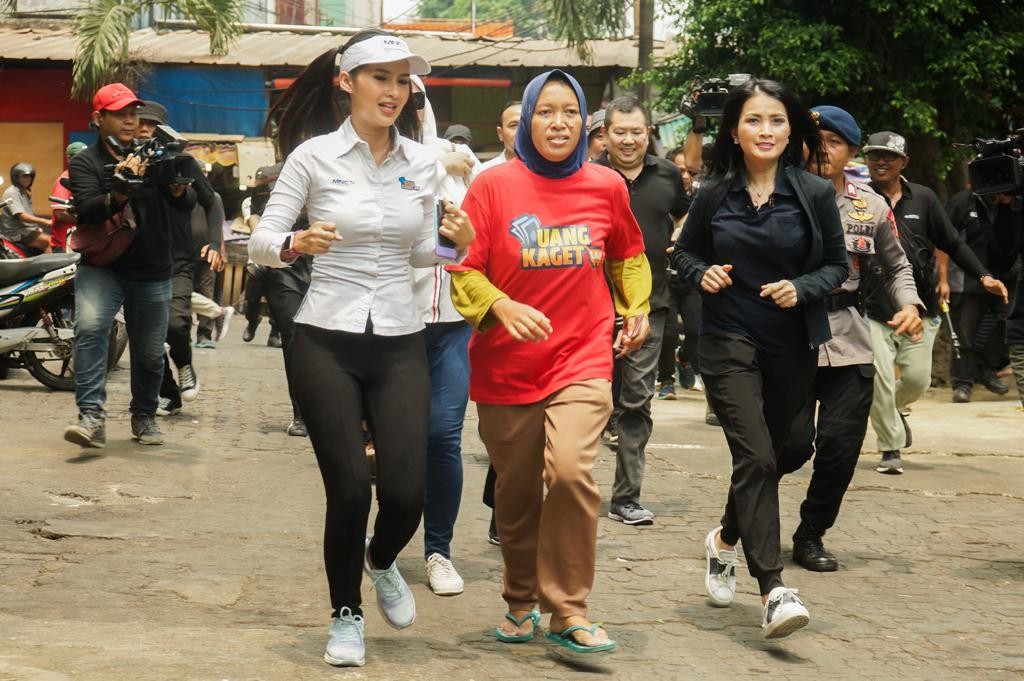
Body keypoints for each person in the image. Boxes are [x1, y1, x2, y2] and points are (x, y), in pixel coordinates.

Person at [248, 30, 475, 668]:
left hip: (400, 341)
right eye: (380, 78)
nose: (393, 91)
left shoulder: (424, 163)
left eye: (402, 81)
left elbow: (424, 254)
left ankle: (379, 560)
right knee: (349, 490)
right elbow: (259, 242)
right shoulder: (313, 157)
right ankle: (345, 614)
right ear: (347, 82)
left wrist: (456, 242)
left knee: (406, 493)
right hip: (325, 340)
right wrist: (297, 243)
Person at [449, 69, 650, 653]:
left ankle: (568, 610)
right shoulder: (492, 186)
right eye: (545, 112)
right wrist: (501, 305)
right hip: (506, 367)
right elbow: (461, 268)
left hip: (581, 357)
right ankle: (520, 601)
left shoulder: (606, 186)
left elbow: (628, 256)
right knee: (515, 493)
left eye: (569, 113)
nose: (558, 123)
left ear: (584, 122)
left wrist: (635, 307)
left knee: (568, 473)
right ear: (527, 121)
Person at [672, 79, 849, 638]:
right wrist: (703, 272)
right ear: (734, 131)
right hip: (727, 340)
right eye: (753, 120)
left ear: (790, 130)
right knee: (755, 455)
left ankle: (725, 537)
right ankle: (773, 588)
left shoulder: (813, 194)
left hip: (792, 344)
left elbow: (838, 266)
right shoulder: (714, 193)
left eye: (776, 120)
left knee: (786, 449)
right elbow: (684, 254)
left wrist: (802, 286)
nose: (765, 130)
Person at [776, 106, 923, 575]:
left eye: (833, 142)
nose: (820, 150)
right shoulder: (774, 196)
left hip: (849, 338)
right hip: (789, 338)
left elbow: (897, 265)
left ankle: (811, 533)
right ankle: (745, 513)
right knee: (790, 445)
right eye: (812, 140)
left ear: (852, 152)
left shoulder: (870, 206)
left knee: (840, 447)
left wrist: (909, 304)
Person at [862, 131, 1007, 473]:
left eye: (889, 156)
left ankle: (894, 410)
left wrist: (983, 275)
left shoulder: (923, 198)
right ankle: (890, 446)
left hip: (921, 303)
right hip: (872, 306)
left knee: (917, 380)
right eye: (874, 155)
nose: (881, 162)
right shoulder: (857, 197)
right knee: (879, 379)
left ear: (904, 162)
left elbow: (953, 243)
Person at [63, 83, 197, 448]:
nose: (129, 120)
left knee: (150, 352)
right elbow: (88, 209)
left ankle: (144, 416)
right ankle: (91, 417)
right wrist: (119, 191)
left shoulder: (156, 155)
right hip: (102, 266)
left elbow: (188, 204)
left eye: (133, 113)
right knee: (91, 330)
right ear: (98, 118)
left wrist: (178, 190)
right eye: (119, 114)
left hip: (153, 269)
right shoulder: (86, 161)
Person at [594, 95, 689, 525]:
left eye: (636, 132)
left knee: (636, 402)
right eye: (620, 132)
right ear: (605, 134)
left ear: (648, 133)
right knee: (589, 401)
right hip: (592, 306)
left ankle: (626, 498)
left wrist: (679, 238)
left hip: (650, 306)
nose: (628, 140)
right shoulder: (588, 175)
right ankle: (566, 491)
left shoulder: (668, 173)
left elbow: (686, 216)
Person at [409, 74, 480, 596]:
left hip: (453, 325)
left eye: (414, 97)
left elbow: (469, 244)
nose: (404, 104)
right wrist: (438, 163)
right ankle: (386, 541)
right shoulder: (372, 165)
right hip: (395, 327)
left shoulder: (462, 167)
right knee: (393, 446)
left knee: (443, 436)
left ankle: (439, 550)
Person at [132, 100, 229, 416]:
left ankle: (185, 364)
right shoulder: (126, 160)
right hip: (134, 259)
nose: (144, 129)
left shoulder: (183, 162)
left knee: (175, 324)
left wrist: (214, 241)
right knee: (147, 336)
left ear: (163, 130)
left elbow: (211, 201)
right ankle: (168, 392)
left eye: (151, 124)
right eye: (139, 122)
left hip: (176, 259)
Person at [243, 162, 311, 436]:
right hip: (283, 267)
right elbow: (256, 220)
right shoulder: (271, 178)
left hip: (326, 265)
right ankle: (301, 414)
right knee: (294, 338)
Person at [946, 187, 1019, 402]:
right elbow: (944, 240)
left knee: (1006, 322)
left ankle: (986, 369)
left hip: (1006, 277)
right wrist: (941, 278)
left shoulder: (1013, 199)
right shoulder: (961, 202)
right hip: (968, 279)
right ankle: (963, 383)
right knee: (964, 331)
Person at [2, 162, 52, 255]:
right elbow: (22, 216)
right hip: (16, 233)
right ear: (16, 178)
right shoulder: (12, 192)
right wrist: (45, 221)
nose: (28, 179)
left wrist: (36, 227)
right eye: (24, 176)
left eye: (29, 176)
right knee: (49, 241)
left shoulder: (24, 193)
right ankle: (48, 265)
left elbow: (29, 214)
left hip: (26, 230)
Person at [50, 142, 89, 252]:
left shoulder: (82, 179)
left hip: (77, 242)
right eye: (78, 158)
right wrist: (86, 220)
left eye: (85, 157)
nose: (82, 161)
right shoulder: (65, 179)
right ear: (69, 159)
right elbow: (59, 214)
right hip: (64, 245)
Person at [478, 100, 521, 173]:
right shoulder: (485, 172)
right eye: (513, 125)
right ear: (500, 133)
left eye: (526, 124)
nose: (521, 131)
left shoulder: (543, 170)